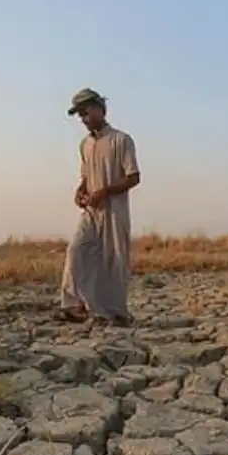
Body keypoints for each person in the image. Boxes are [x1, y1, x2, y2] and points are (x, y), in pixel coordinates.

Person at [60, 88, 141, 326]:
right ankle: (74, 306)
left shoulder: (121, 140)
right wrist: (80, 191)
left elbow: (133, 177)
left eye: (86, 113)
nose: (84, 119)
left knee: (113, 260)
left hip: (115, 210)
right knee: (77, 250)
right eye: (80, 116)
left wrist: (104, 192)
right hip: (92, 211)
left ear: (99, 109)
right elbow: (85, 175)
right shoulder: (84, 144)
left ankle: (114, 313)